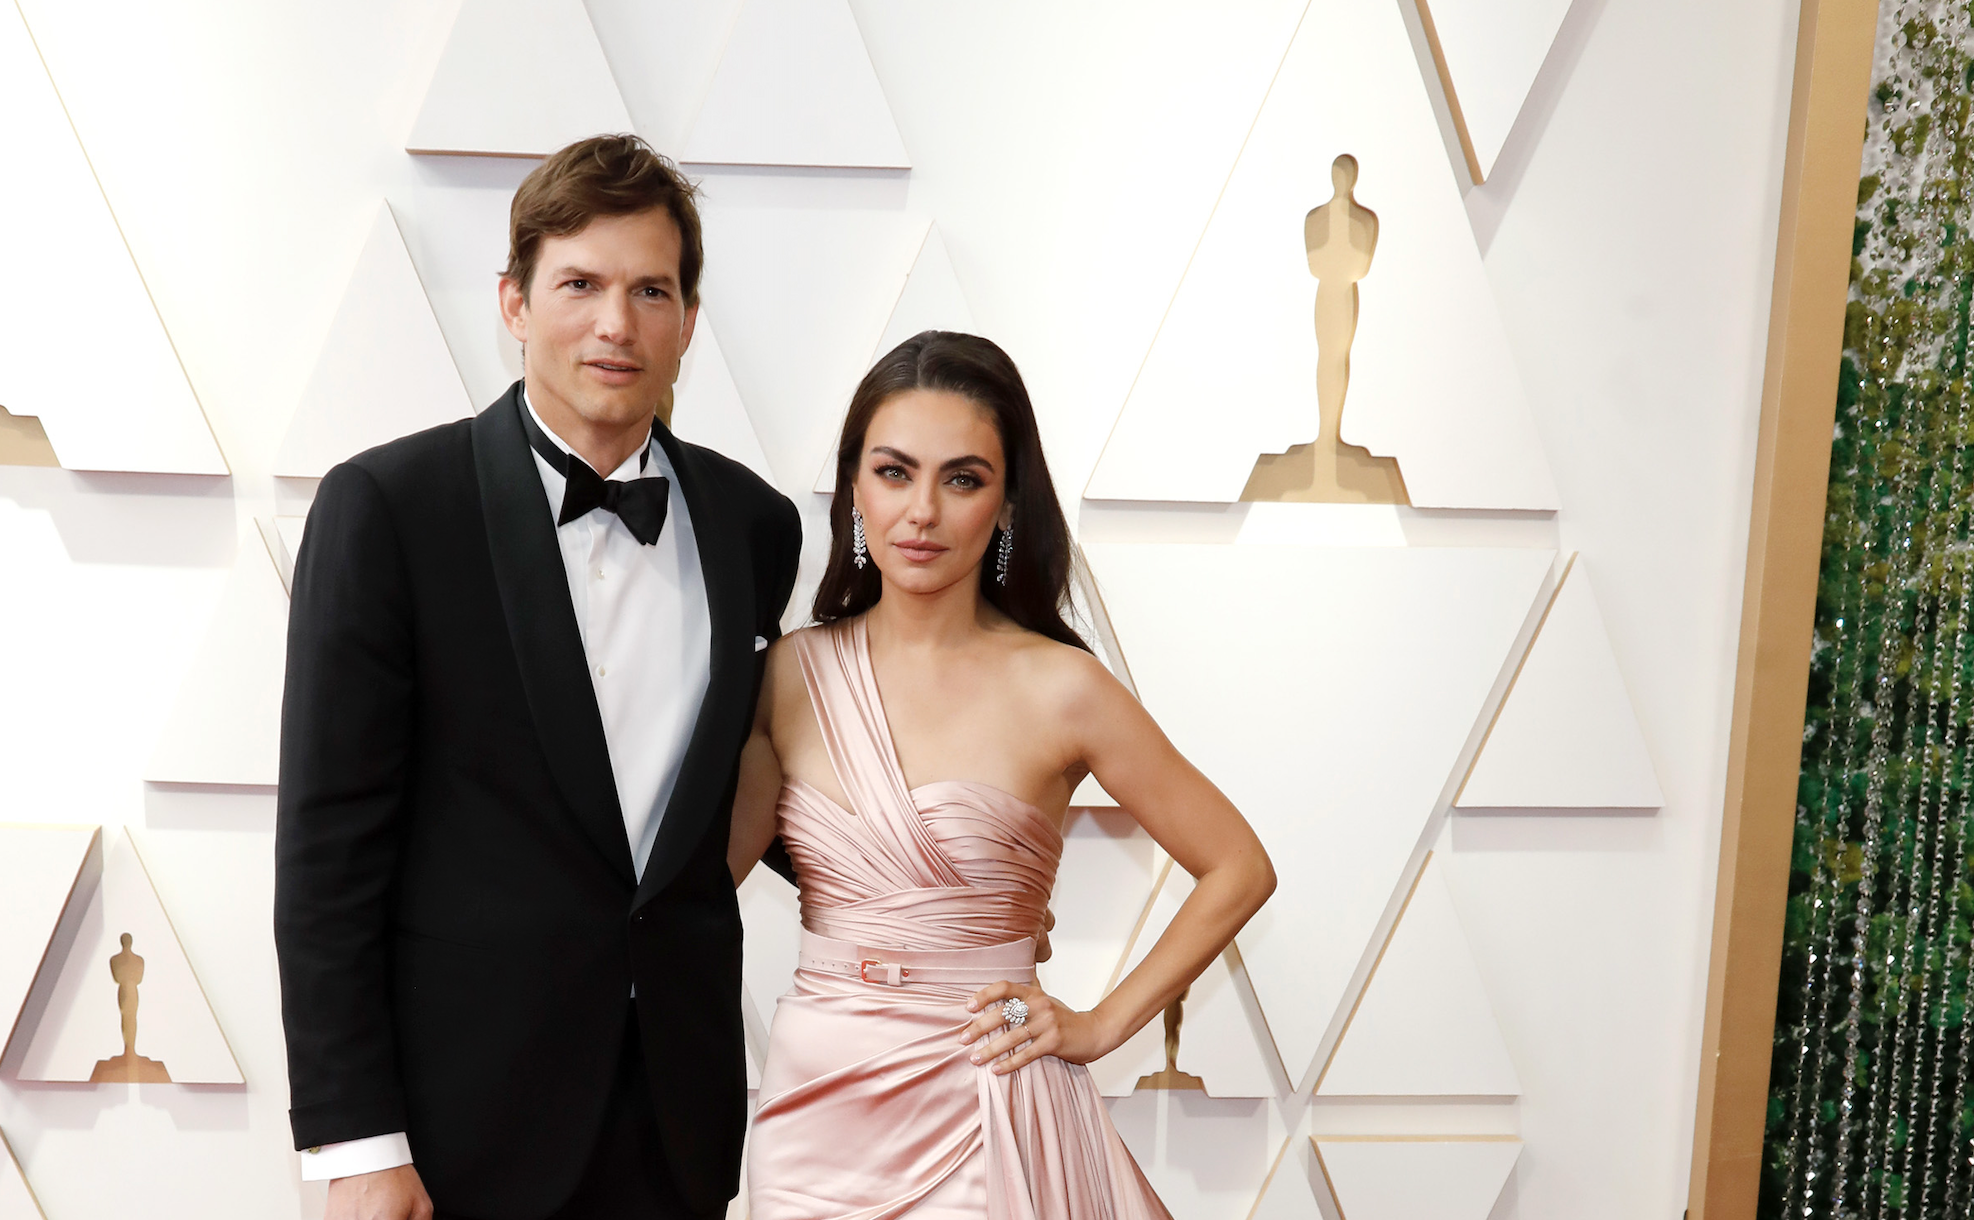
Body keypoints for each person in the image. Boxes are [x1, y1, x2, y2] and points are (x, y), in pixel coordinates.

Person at [275, 134, 800, 1220]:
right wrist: (358, 1141)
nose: (617, 324)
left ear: (690, 321)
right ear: (514, 302)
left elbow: (741, 788)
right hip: (453, 1131)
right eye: (581, 284)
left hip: (679, 1121)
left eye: (651, 289)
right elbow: (327, 859)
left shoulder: (756, 524)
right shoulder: (389, 509)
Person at [729, 331, 1276, 1218]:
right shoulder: (791, 674)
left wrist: (1097, 1025)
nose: (922, 513)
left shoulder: (1063, 688)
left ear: (1008, 504)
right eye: (895, 472)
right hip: (813, 1113)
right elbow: (700, 876)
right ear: (855, 490)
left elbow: (1239, 865)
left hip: (986, 1093)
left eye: (963, 478)